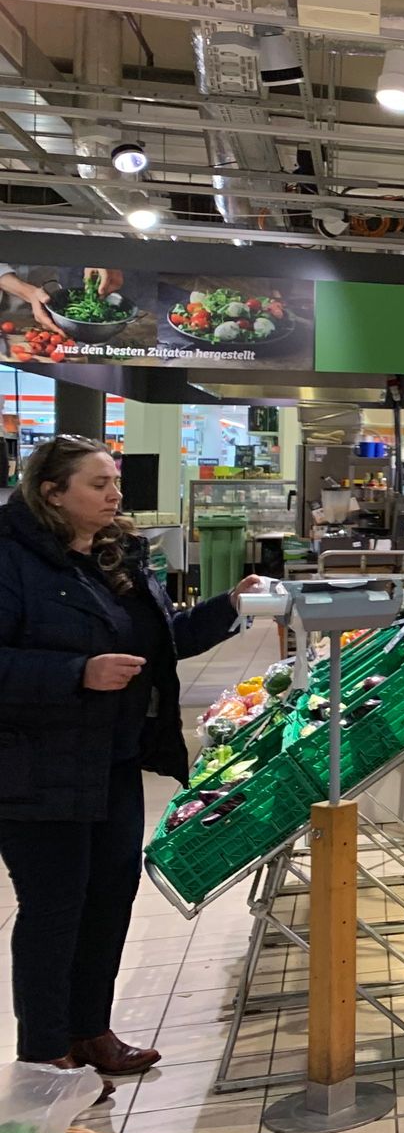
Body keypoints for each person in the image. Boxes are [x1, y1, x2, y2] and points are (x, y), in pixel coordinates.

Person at [0, 437, 257, 1098]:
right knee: (55, 907)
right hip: (36, 765)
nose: (115, 495)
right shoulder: (10, 556)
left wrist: (232, 606)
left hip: (114, 758)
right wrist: (76, 673)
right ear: (52, 492)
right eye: (98, 484)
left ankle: (92, 1030)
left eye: (115, 482)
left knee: (110, 898)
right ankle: (45, 1054)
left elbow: (163, 642)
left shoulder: (117, 555)